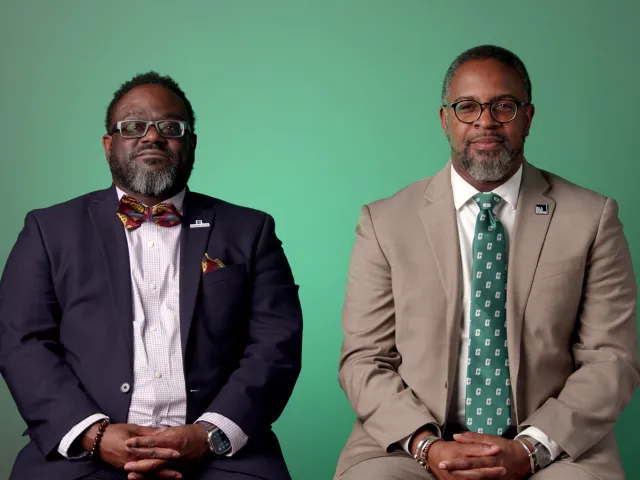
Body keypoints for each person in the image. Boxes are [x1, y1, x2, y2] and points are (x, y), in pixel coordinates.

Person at [334, 45, 640, 479]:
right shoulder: (384, 222)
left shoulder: (592, 218)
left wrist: (531, 449)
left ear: (528, 117)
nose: (486, 121)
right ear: (445, 120)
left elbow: (611, 359)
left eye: (504, 106)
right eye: (467, 107)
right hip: (409, 445)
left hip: (555, 445)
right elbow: (364, 359)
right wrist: (426, 446)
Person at [0, 72, 303, 480]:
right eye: (133, 126)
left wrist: (210, 433)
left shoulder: (250, 230)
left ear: (192, 143)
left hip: (220, 453)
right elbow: (21, 341)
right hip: (83, 452)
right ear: (109, 144)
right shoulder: (48, 229)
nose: (152, 137)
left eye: (170, 127)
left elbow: (276, 343)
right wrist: (93, 433)